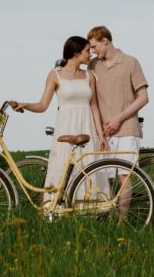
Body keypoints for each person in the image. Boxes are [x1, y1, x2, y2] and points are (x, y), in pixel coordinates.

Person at [10, 36, 109, 204]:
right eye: (87, 51)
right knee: (63, 167)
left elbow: (94, 107)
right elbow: (42, 105)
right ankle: (59, 208)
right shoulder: (55, 75)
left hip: (87, 128)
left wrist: (101, 136)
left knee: (88, 167)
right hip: (66, 127)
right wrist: (25, 104)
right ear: (76, 53)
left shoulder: (89, 76)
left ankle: (89, 209)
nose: (90, 54)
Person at [87, 26, 149, 213]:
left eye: (94, 46)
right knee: (105, 179)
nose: (92, 51)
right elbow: (93, 102)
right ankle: (108, 220)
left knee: (124, 177)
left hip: (127, 130)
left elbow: (143, 97)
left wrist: (119, 119)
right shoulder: (93, 66)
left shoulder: (131, 62)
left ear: (105, 40)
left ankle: (122, 224)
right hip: (102, 133)